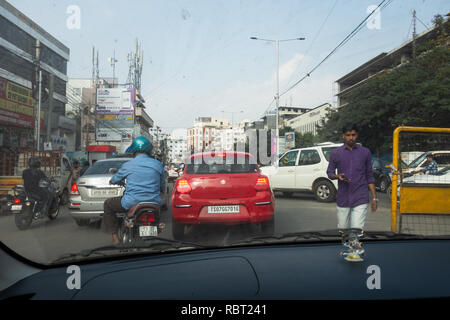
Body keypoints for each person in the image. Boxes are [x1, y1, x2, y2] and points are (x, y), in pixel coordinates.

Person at [102, 136, 166, 245]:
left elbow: (115, 179)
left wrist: (112, 181)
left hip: (131, 202)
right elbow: (162, 185)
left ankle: (115, 239)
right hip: (153, 202)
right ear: (149, 150)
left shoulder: (128, 165)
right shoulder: (158, 164)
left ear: (134, 150)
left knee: (108, 204)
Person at [326, 124, 378, 232]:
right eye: (348, 135)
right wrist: (337, 176)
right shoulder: (336, 153)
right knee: (343, 229)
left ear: (357, 135)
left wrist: (374, 198)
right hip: (343, 197)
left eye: (353, 135)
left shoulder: (365, 152)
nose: (351, 138)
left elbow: (370, 176)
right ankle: (345, 248)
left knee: (356, 230)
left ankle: (356, 248)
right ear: (343, 136)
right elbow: (329, 173)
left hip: (361, 196)